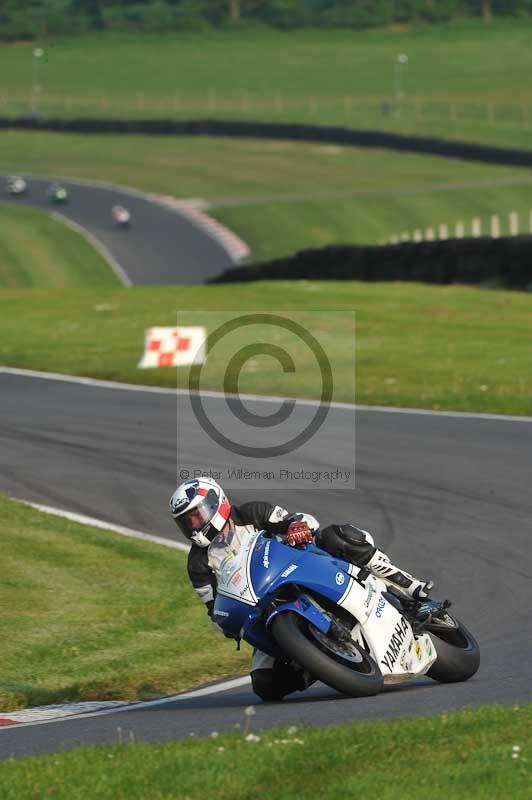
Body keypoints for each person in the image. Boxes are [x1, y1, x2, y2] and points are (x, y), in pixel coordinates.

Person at [169, 476, 433, 702]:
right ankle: (317, 663)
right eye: (186, 522)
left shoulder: (251, 513)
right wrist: (225, 621)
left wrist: (296, 528)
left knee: (336, 536)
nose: (193, 525)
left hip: (301, 567)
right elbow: (213, 609)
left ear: (217, 504)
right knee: (265, 685)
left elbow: (295, 520)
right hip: (262, 610)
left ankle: (408, 586)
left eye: (196, 515)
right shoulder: (198, 564)